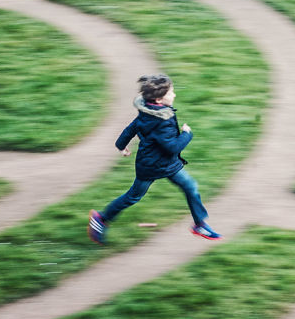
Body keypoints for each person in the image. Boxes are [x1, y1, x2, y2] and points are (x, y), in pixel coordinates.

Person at [88, 74, 221, 244]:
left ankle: (200, 224)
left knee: (190, 186)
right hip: (151, 166)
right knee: (133, 196)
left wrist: (121, 145)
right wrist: (187, 134)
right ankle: (101, 219)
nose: (174, 95)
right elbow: (172, 147)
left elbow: (131, 128)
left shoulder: (147, 111)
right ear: (159, 99)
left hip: (168, 164)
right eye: (171, 92)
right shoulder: (161, 120)